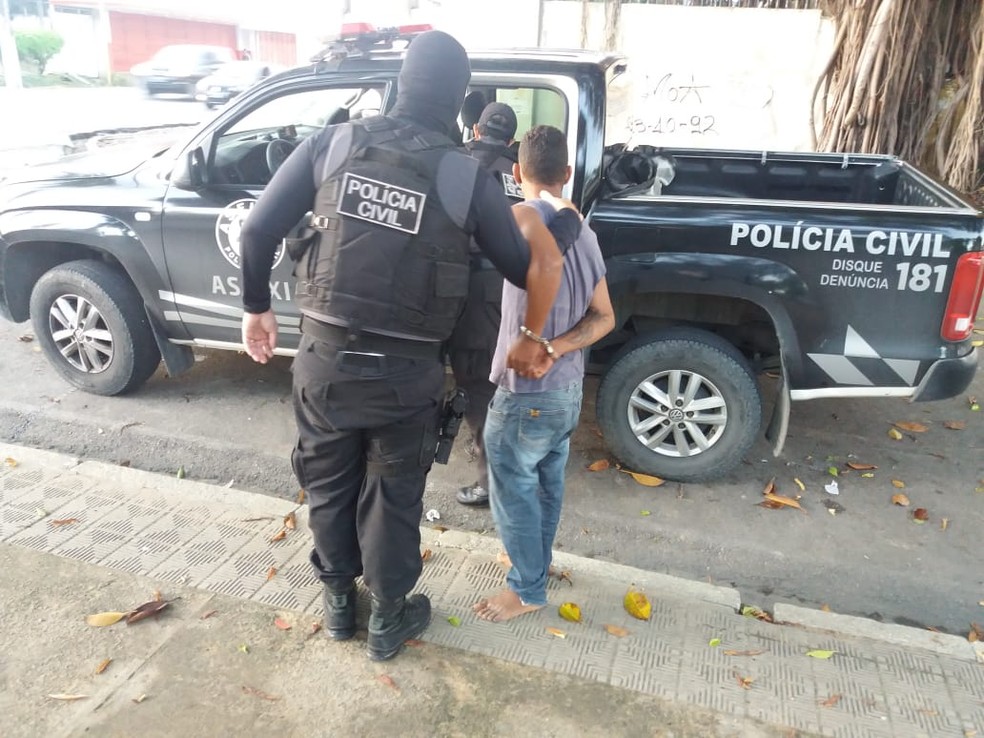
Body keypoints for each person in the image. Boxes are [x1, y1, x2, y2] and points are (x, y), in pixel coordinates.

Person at [238, 31, 581, 661]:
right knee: (395, 494)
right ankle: (388, 617)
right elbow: (528, 267)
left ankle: (340, 602)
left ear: (398, 83)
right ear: (460, 104)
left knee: (328, 482)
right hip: (405, 376)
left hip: (325, 360)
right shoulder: (464, 173)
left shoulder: (332, 143)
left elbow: (258, 229)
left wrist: (256, 308)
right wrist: (533, 327)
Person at [473, 124, 615, 623]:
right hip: (568, 389)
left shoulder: (521, 217)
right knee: (545, 484)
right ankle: (533, 561)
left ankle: (526, 588)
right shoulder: (586, 230)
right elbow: (605, 317)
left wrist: (535, 342)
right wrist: (557, 348)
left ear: (516, 172)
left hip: (526, 391)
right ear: (568, 173)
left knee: (512, 488)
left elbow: (545, 264)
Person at [450, 100, 522, 508]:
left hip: (455, 289)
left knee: (474, 388)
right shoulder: (519, 173)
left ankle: (490, 483)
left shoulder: (456, 161)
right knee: (487, 385)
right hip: (505, 293)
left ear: (476, 131)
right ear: (511, 138)